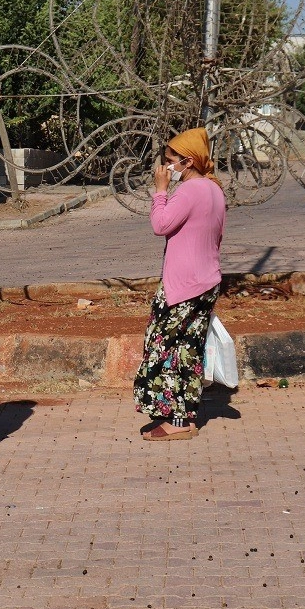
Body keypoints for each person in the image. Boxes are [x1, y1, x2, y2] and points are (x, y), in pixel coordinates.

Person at [134, 127, 227, 441]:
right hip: (207, 280)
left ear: (188, 162)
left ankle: (175, 420)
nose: (166, 166)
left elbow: (161, 225)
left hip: (184, 286)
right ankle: (184, 419)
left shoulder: (190, 190)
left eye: (170, 160)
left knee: (167, 348)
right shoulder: (214, 189)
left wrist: (160, 190)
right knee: (188, 350)